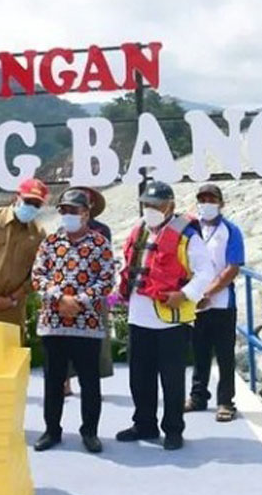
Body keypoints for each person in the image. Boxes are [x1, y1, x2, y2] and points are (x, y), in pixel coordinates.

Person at [115, 181, 213, 451]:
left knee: (172, 379)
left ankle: (173, 430)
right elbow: (129, 266)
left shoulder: (186, 236)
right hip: (139, 316)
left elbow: (206, 272)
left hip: (170, 319)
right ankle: (144, 423)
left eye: (156, 205)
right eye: (147, 205)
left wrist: (184, 294)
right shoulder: (139, 231)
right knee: (140, 377)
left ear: (170, 206)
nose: (151, 210)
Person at [31, 189, 116, 454]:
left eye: (74, 211)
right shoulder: (50, 242)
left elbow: (107, 279)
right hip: (53, 323)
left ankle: (89, 432)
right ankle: (52, 430)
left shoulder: (100, 244)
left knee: (90, 381)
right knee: (53, 380)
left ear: (86, 214)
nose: (68, 215)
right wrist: (59, 299)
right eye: (64, 211)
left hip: (86, 324)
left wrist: (79, 300)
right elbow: (38, 276)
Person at [185, 183, 245, 422]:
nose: (206, 203)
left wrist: (208, 293)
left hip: (221, 303)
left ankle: (225, 402)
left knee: (224, 355)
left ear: (221, 203)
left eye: (211, 199)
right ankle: (198, 397)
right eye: (202, 199)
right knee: (198, 352)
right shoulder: (190, 230)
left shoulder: (231, 230)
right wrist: (193, 293)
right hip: (195, 303)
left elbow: (233, 267)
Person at [0, 178, 49, 332]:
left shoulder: (38, 234)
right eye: (28, 201)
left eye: (36, 204)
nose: (31, 207)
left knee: (10, 354)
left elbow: (37, 274)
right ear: (17, 197)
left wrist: (12, 299)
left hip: (10, 310)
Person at [62, 186, 114, 397]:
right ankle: (65, 382)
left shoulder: (102, 230)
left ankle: (91, 383)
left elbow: (105, 262)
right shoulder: (61, 231)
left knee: (94, 342)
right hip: (67, 294)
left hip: (93, 293)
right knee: (64, 340)